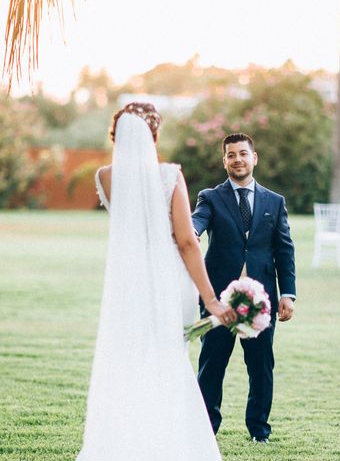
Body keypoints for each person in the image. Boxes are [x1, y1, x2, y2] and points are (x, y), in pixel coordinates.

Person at [76, 103, 236, 461]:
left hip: (128, 280)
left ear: (116, 137)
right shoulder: (168, 175)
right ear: (152, 137)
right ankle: (168, 445)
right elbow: (186, 241)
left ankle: (128, 444)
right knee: (168, 357)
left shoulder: (105, 176)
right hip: (167, 278)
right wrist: (210, 299)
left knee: (132, 358)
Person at [192, 132, 296, 444]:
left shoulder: (274, 202)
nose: (237, 159)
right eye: (231, 155)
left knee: (261, 367)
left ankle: (259, 431)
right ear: (224, 161)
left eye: (243, 153)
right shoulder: (210, 197)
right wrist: (192, 233)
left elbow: (284, 250)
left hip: (261, 301)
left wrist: (288, 293)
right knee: (212, 366)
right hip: (219, 301)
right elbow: (198, 221)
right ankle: (206, 430)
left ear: (254, 158)